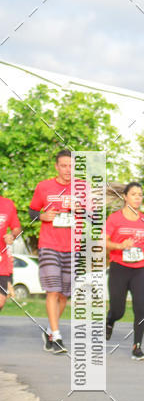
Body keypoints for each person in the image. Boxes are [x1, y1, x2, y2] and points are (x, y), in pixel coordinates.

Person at [104, 182, 144, 361]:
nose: (138, 197)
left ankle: (137, 347)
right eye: (134, 194)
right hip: (119, 268)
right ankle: (110, 320)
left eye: (140, 194)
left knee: (140, 308)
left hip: (139, 269)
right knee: (118, 310)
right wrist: (120, 245)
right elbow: (103, 242)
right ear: (125, 197)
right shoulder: (114, 219)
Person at [29, 150, 79, 354]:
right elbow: (32, 212)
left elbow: (92, 216)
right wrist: (43, 216)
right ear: (56, 167)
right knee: (53, 290)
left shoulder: (82, 189)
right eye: (64, 165)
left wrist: (80, 210)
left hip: (72, 246)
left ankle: (50, 330)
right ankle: (57, 337)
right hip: (49, 244)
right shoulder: (44, 186)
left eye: (71, 166)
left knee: (64, 295)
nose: (68, 169)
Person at [0, 194, 21, 311]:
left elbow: (17, 228)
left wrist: (12, 235)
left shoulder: (7, 204)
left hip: (1, 260)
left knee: (1, 300)